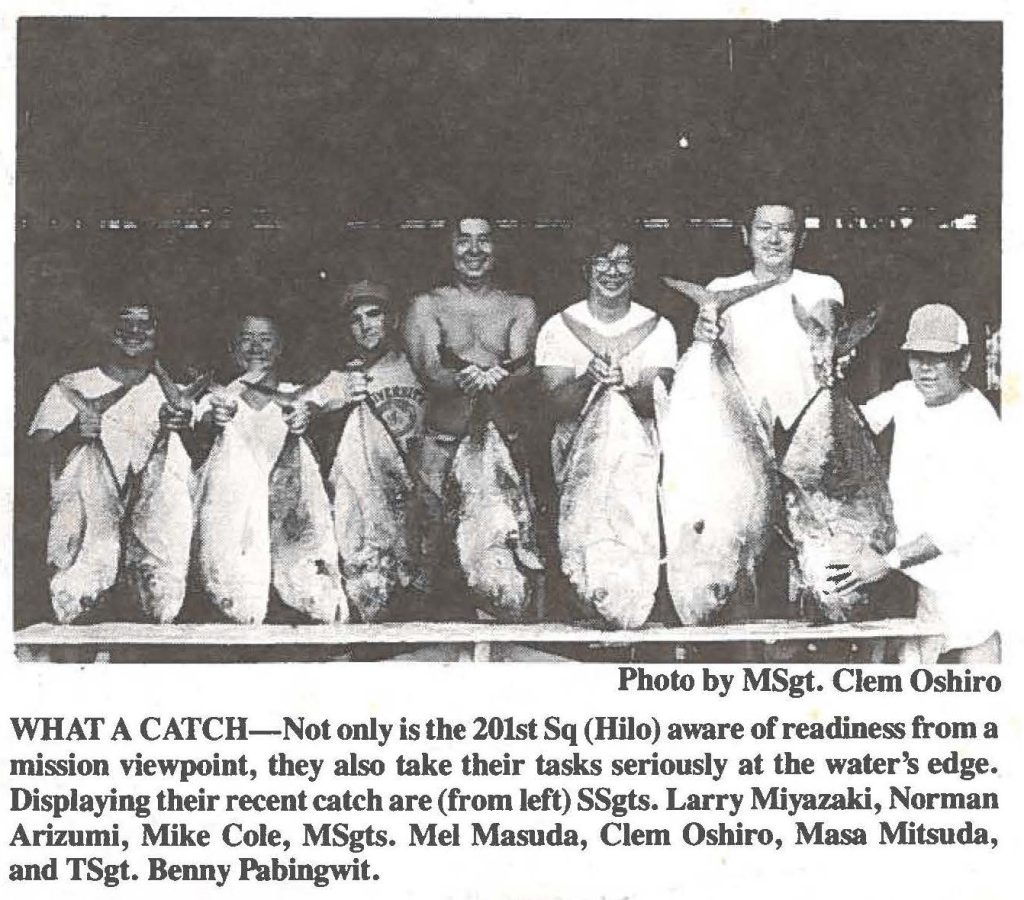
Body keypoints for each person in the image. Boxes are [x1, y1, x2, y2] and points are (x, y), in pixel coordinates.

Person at [828, 304, 1003, 663]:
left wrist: (887, 563)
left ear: (964, 360)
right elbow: (852, 426)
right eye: (916, 356)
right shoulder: (907, 395)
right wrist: (832, 376)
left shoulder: (981, 427)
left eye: (938, 358)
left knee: (982, 689)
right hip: (916, 581)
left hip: (969, 582)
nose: (925, 368)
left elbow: (954, 530)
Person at [403, 217, 538, 611]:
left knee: (508, 548)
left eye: (484, 241)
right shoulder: (426, 305)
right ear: (449, 247)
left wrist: (504, 378)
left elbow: (523, 367)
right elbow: (429, 369)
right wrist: (465, 378)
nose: (474, 250)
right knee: (429, 555)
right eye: (464, 241)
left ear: (497, 249)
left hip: (502, 448)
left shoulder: (519, 306)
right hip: (442, 448)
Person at [28, 303, 192, 621]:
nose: (134, 331)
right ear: (106, 329)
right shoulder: (72, 385)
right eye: (124, 322)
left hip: (150, 530)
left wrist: (186, 425)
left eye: (145, 324)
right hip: (89, 523)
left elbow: (204, 455)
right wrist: (72, 434)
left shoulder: (177, 394)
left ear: (159, 332)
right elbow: (31, 455)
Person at [694, 201, 845, 433]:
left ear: (801, 238)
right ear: (746, 234)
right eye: (764, 228)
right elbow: (705, 365)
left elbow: (831, 331)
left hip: (807, 431)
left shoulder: (824, 287)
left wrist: (836, 348)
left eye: (785, 230)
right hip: (738, 431)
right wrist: (703, 336)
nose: (774, 239)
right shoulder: (720, 289)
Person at [535, 231, 677, 475]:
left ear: (634, 271)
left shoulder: (660, 328)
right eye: (602, 261)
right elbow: (552, 405)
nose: (612, 271)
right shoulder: (557, 327)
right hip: (576, 461)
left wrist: (624, 386)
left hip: (637, 460)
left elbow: (656, 401)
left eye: (623, 262)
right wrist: (588, 379)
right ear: (586, 270)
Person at [310, 280, 426, 468]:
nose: (365, 326)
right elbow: (308, 407)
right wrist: (331, 406)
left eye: (373, 315)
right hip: (372, 483)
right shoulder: (342, 377)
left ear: (393, 320)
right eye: (356, 320)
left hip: (421, 479)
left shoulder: (420, 368)